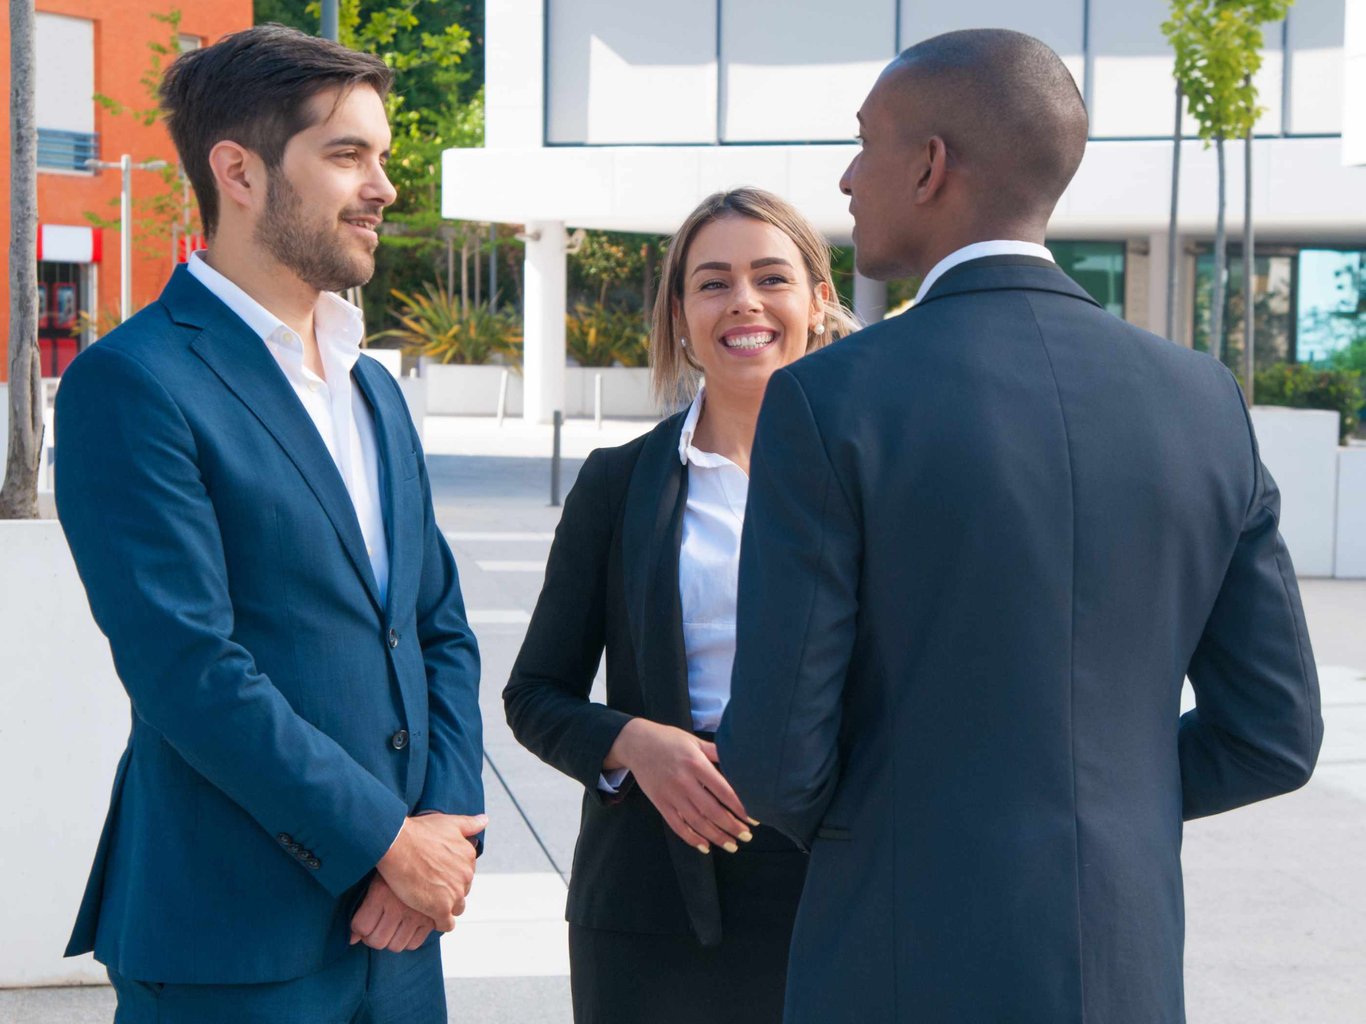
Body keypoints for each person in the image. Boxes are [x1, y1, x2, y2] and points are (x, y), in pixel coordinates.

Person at [717, 29, 1324, 1024]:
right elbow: (1274, 734)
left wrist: (914, 822)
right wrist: (1106, 802)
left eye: (864, 144)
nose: (844, 177)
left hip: (899, 963)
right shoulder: (1203, 398)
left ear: (928, 166)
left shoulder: (831, 400)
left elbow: (776, 761)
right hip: (1125, 967)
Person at [54, 25, 486, 1024]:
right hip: (232, 940)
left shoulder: (372, 389)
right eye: (347, 156)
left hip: (404, 930)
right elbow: (187, 668)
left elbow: (436, 628)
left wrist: (440, 834)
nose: (381, 187)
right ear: (238, 173)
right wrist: (386, 839)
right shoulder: (133, 382)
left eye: (383, 158)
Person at [504, 188, 857, 1023]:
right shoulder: (619, 482)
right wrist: (633, 743)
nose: (744, 301)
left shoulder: (878, 480)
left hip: (841, 884)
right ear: (679, 311)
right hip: (653, 902)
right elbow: (534, 695)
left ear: (819, 301)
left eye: (772, 277)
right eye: (713, 282)